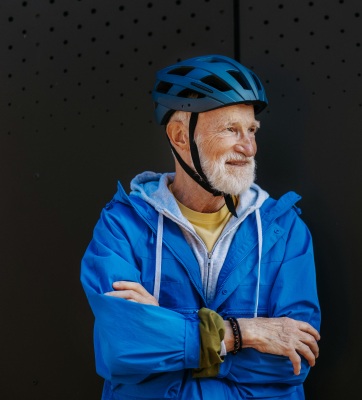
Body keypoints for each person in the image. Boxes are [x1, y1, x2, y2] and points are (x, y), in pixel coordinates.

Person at [80, 54, 321, 400]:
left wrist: (165, 332)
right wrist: (244, 333)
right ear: (180, 136)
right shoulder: (122, 227)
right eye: (231, 130)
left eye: (251, 130)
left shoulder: (283, 231)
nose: (249, 147)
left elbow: (294, 359)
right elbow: (123, 348)